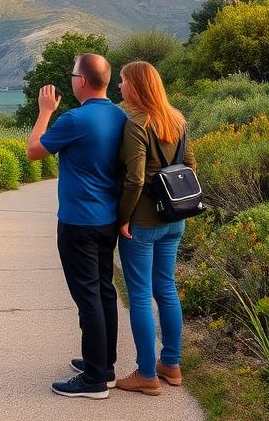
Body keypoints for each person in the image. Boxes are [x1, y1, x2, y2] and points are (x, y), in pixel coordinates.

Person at [26, 54, 127, 400]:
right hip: (107, 219)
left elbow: (34, 151)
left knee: (88, 298)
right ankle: (104, 365)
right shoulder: (119, 114)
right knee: (104, 291)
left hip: (78, 221)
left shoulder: (73, 119)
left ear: (81, 81)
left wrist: (44, 111)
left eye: (72, 74)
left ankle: (95, 379)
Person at [114, 61, 196, 395]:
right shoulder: (177, 118)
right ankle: (171, 365)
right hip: (175, 219)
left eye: (122, 81)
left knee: (140, 296)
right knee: (166, 289)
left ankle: (146, 374)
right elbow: (190, 166)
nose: (119, 86)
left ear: (135, 86)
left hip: (143, 222)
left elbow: (134, 178)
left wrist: (122, 217)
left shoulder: (137, 124)